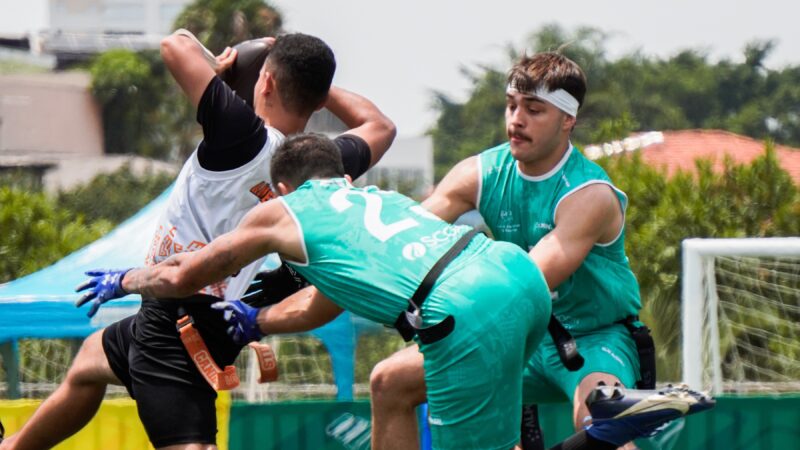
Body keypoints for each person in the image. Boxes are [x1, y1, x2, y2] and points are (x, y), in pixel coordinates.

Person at [74, 134, 714, 450]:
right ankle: (605, 413)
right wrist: (259, 321)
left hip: (462, 311)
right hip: (513, 275)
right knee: (391, 383)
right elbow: (325, 302)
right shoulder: (376, 199)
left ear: (281, 188)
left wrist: (125, 279)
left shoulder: (280, 213)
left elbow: (182, 276)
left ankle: (602, 431)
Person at [0, 30, 395, 450]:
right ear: (316, 102)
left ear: (266, 82)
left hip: (173, 326)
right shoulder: (318, 165)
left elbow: (175, 45)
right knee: (90, 361)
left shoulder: (239, 132)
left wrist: (218, 63)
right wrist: (314, 81)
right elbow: (381, 126)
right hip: (216, 321)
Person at [367, 51, 653, 449]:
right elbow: (405, 237)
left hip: (590, 338)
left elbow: (522, 284)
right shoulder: (479, 173)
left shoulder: (589, 195)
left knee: (599, 418)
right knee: (388, 381)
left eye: (534, 110)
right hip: (513, 335)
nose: (516, 119)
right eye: (511, 105)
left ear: (567, 120)